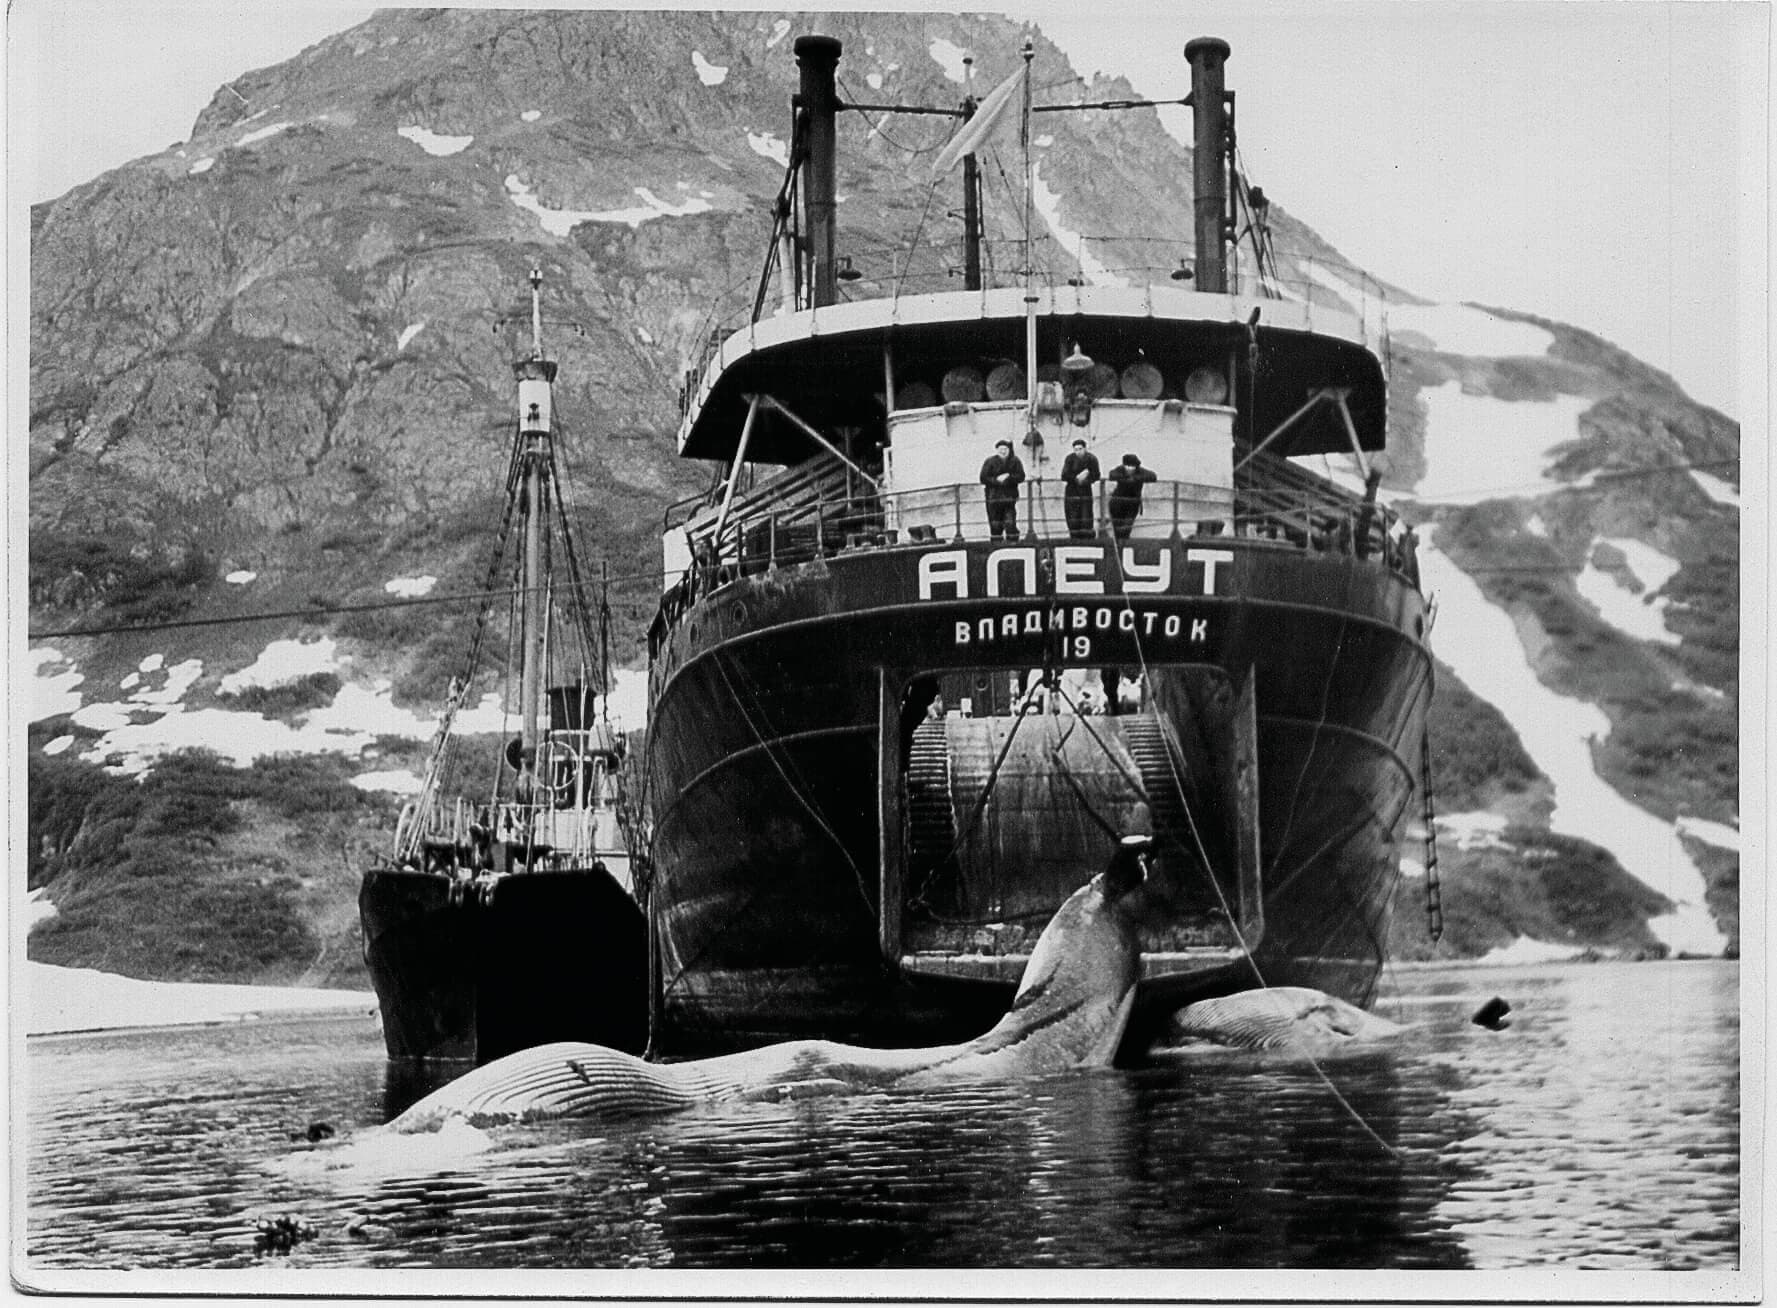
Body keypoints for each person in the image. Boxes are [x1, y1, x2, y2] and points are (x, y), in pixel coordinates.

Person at [978, 438, 1025, 540]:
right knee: (995, 526)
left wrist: (1008, 477)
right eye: (1001, 449)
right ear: (997, 450)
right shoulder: (990, 462)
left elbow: (1021, 476)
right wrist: (996, 480)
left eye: (1005, 449)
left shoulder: (1015, 461)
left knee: (1010, 524)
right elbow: (983, 478)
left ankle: (1013, 543)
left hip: (1009, 499)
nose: (1003, 452)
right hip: (993, 499)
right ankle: (996, 544)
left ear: (1009, 450)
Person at [1106, 453, 1157, 541]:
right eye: (1127, 466)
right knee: (1117, 528)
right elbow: (1112, 475)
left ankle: (1123, 543)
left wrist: (1136, 478)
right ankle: (1119, 545)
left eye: (1132, 466)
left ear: (1136, 466)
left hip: (1133, 504)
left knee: (1126, 527)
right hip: (1117, 503)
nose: (1129, 468)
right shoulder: (1120, 470)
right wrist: (1125, 478)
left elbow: (1153, 476)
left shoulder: (1140, 471)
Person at [1059, 438, 1101, 540]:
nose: (1078, 452)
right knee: (1072, 518)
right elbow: (1064, 475)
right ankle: (1074, 538)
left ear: (1085, 448)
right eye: (1076, 449)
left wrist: (1086, 480)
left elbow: (1096, 475)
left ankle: (1087, 538)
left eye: (1080, 449)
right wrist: (1076, 478)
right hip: (1072, 492)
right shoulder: (1069, 459)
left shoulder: (1092, 459)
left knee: (1086, 517)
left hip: (1085, 491)